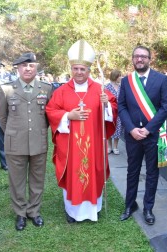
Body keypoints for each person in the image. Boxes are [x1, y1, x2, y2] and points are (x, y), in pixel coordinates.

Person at [46, 39, 117, 223]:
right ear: (71, 69)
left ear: (89, 70)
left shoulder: (100, 89)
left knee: (94, 172)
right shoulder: (61, 91)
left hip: (94, 144)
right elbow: (51, 111)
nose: (79, 72)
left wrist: (106, 105)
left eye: (82, 69)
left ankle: (94, 210)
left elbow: (113, 109)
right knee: (73, 176)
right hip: (70, 147)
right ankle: (73, 212)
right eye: (75, 69)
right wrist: (68, 116)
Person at [0, 52, 52, 231]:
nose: (28, 68)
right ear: (17, 68)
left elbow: (49, 116)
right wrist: (13, 133)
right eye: (24, 65)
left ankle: (34, 211)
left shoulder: (46, 88)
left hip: (39, 141)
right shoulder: (6, 89)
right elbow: (2, 117)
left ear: (36, 68)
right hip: (15, 142)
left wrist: (40, 131)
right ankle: (20, 213)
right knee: (17, 180)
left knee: (37, 179)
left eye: (31, 65)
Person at [118, 45, 167, 225]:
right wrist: (132, 129)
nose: (139, 59)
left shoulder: (162, 79)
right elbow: (122, 106)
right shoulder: (127, 81)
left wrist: (148, 129)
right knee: (132, 171)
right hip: (132, 135)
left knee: (152, 173)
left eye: (143, 56)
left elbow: (166, 107)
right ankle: (130, 204)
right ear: (132, 59)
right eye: (136, 56)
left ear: (150, 59)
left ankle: (148, 208)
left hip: (152, 135)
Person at [105, 69, 123, 155]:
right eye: (119, 76)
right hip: (110, 111)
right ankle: (109, 146)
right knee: (109, 127)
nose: (121, 77)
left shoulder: (121, 87)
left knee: (118, 129)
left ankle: (115, 147)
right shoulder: (107, 87)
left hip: (119, 111)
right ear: (115, 76)